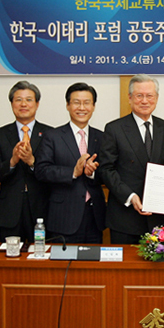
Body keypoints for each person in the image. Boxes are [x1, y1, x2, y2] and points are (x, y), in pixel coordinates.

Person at [99, 74, 164, 244]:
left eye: (149, 96)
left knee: (158, 269)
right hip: (125, 217)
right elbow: (106, 169)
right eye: (139, 95)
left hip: (157, 219)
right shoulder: (114, 128)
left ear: (156, 98)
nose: (145, 101)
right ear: (130, 98)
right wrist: (130, 196)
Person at [35, 83, 106, 243]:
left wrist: (93, 172)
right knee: (63, 266)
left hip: (95, 217)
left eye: (87, 102)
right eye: (76, 102)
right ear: (67, 105)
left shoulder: (101, 137)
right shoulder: (52, 136)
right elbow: (41, 170)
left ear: (93, 106)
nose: (82, 107)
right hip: (63, 217)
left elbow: (108, 171)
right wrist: (73, 172)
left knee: (93, 266)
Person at [0, 81, 54, 243]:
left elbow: (53, 172)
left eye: (29, 99)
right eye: (18, 99)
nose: (23, 104)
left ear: (37, 104)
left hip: (42, 209)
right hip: (10, 210)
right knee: (9, 260)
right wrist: (12, 161)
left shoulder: (50, 134)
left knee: (42, 259)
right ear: (12, 103)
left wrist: (32, 162)